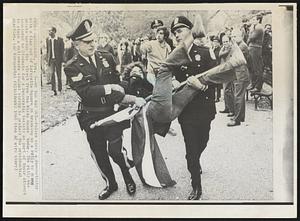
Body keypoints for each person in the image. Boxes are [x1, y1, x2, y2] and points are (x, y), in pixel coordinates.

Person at [64, 19, 146, 200]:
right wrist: (110, 88)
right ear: (77, 45)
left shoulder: (106, 56)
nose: (93, 44)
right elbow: (85, 91)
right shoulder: (71, 66)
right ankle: (111, 183)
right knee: (99, 153)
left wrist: (133, 89)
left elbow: (118, 83)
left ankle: (127, 176)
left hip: (113, 112)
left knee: (116, 151)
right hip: (91, 115)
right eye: (87, 42)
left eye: (93, 40)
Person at [170, 16, 217, 200]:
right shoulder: (175, 56)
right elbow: (169, 76)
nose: (176, 35)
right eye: (174, 33)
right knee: (191, 148)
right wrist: (173, 82)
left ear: (190, 31)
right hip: (186, 110)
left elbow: (217, 80)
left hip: (205, 108)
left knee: (203, 141)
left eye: (180, 31)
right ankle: (196, 185)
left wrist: (201, 85)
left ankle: (194, 160)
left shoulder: (205, 53)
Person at [228, 29, 250, 126]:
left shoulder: (241, 46)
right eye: (232, 36)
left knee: (238, 96)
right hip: (240, 73)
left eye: (235, 36)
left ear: (241, 36)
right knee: (239, 96)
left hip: (241, 74)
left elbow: (237, 60)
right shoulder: (239, 46)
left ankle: (237, 120)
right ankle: (240, 117)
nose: (232, 38)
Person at [247, 14, 264, 92]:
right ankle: (253, 84)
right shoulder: (255, 27)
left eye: (254, 20)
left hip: (256, 49)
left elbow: (251, 37)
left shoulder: (259, 28)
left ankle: (258, 87)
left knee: (256, 67)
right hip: (253, 48)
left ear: (258, 20)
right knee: (252, 67)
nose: (252, 21)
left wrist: (251, 30)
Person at [46, 26, 65, 95]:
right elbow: (48, 50)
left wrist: (63, 61)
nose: (49, 32)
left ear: (54, 31)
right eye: (48, 31)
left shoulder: (60, 40)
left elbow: (62, 51)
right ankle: (53, 90)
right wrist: (47, 60)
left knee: (58, 75)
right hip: (51, 60)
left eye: (50, 31)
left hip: (58, 60)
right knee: (52, 74)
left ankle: (60, 89)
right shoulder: (48, 39)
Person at [219, 35, 235, 116]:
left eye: (226, 41)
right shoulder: (224, 48)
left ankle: (232, 110)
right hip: (224, 72)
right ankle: (227, 108)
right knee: (225, 91)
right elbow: (220, 54)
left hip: (229, 72)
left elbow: (220, 54)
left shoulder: (230, 49)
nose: (225, 43)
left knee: (228, 91)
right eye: (223, 42)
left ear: (230, 41)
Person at [212, 36, 222, 102]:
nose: (215, 43)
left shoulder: (220, 49)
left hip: (218, 67)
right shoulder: (214, 49)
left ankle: (218, 97)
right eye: (214, 41)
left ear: (218, 43)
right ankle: (215, 96)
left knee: (218, 84)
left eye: (216, 42)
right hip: (214, 67)